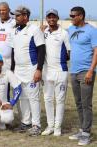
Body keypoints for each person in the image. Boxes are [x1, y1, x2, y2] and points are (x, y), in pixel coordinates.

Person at [10, 6, 46, 136]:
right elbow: (13, 51)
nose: (16, 18)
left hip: (31, 68)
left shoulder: (34, 30)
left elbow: (41, 50)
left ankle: (36, 125)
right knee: (22, 97)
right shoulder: (14, 31)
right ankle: (26, 122)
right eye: (15, 15)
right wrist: (12, 70)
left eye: (18, 15)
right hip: (18, 70)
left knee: (33, 98)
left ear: (25, 16)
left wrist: (39, 70)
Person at [68, 6, 97, 146]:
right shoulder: (71, 29)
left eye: (73, 16)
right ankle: (82, 129)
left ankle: (86, 133)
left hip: (86, 71)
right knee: (78, 103)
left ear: (81, 16)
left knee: (86, 104)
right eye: (70, 15)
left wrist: (91, 70)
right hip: (73, 71)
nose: (71, 18)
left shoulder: (92, 31)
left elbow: (96, 51)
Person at [41, 9, 70, 136]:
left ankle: (57, 127)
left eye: (54, 17)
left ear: (57, 18)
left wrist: (61, 60)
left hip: (60, 71)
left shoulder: (64, 33)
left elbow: (69, 51)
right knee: (47, 99)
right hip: (47, 72)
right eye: (49, 17)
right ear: (47, 19)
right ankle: (50, 126)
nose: (51, 19)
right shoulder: (43, 32)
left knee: (60, 100)